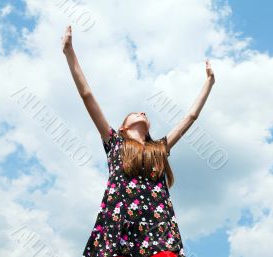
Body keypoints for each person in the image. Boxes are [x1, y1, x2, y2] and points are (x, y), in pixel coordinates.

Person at [61, 25, 216, 257]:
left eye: (145, 113)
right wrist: (69, 53)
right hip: (120, 228)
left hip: (158, 232)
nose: (142, 112)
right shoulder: (115, 142)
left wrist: (209, 83)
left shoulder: (159, 148)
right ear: (123, 126)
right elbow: (87, 96)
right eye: (135, 113)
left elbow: (190, 117)